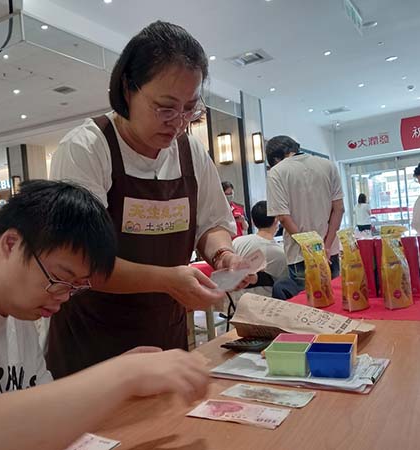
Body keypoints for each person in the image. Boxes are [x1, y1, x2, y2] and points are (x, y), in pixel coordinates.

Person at [0, 180, 210, 450]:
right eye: (59, 278)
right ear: (11, 244)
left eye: (75, 287)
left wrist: (120, 382)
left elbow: (39, 412)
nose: (63, 297)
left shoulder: (19, 312)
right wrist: (122, 376)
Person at [48, 21, 252, 377]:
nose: (179, 122)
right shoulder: (87, 148)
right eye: (165, 107)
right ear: (128, 88)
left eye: (190, 109)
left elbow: (212, 224)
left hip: (164, 333)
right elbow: (82, 262)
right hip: (93, 343)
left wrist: (223, 255)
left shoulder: (190, 152)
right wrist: (169, 280)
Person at [265, 136, 345, 290]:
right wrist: (326, 247)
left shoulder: (277, 172)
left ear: (275, 158)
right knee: (334, 299)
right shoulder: (328, 165)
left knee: (308, 302)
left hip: (300, 255)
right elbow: (339, 209)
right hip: (330, 252)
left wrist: (311, 249)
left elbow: (283, 217)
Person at [232, 201, 288, 281]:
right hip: (266, 289)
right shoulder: (281, 254)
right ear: (276, 220)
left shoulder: (237, 242)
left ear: (253, 221)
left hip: (234, 288)